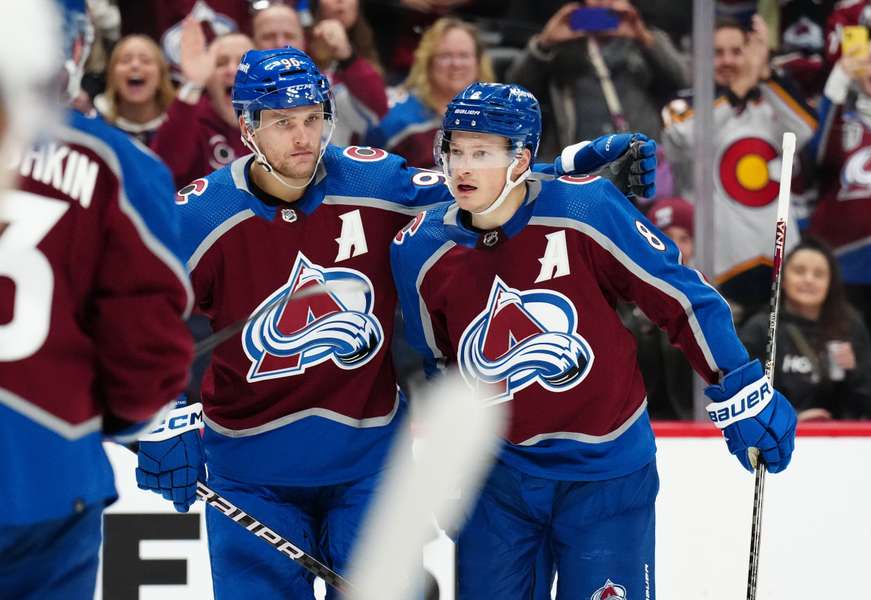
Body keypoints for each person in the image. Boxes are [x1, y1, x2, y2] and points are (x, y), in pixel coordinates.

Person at [133, 47, 655, 598]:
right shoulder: (203, 214)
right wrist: (158, 419)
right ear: (246, 127)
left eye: (312, 118)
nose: (303, 137)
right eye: (283, 123)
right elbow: (130, 315)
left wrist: (578, 162)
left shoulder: (372, 183)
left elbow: (473, 178)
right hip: (251, 474)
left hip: (370, 473)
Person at [390, 82, 797, 599]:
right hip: (499, 479)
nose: (462, 167)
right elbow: (440, 363)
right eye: (455, 149)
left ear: (520, 159)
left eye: (482, 152)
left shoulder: (584, 210)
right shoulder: (420, 249)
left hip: (605, 471)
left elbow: (680, 297)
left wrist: (739, 388)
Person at [0, 0, 194, 598]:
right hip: (49, 477)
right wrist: (119, 421)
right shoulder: (114, 163)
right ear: (74, 48)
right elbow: (148, 349)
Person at [662, 16, 817, 322]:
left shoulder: (774, 100)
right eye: (718, 53)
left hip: (780, 266)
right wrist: (740, 86)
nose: (728, 60)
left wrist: (766, 76)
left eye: (737, 51)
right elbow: (683, 139)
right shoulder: (683, 105)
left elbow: (806, 129)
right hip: (718, 268)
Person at [806, 33, 871, 362]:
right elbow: (818, 157)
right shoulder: (841, 122)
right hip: (843, 266)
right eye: (870, 58)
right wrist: (838, 83)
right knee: (842, 358)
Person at [506, 0, 689, 160]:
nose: (604, 3)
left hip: (637, 163)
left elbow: (686, 82)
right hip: (581, 165)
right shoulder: (562, 47)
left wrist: (645, 39)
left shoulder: (643, 41)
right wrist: (544, 42)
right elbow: (515, 91)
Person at [740, 238, 871, 421]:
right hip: (777, 438)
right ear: (782, 279)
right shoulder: (761, 328)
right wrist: (792, 419)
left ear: (830, 283)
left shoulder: (850, 326)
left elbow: (870, 401)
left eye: (819, 274)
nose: (809, 280)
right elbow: (743, 396)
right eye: (799, 271)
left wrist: (854, 372)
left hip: (839, 439)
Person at [365, 17, 494, 168]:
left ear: (478, 63)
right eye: (446, 56)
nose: (456, 64)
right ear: (427, 62)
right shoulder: (398, 120)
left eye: (464, 55)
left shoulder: (495, 118)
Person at [151, 20, 253, 189]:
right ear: (208, 77)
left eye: (244, 64)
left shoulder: (275, 123)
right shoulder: (192, 122)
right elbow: (161, 171)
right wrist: (192, 84)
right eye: (220, 63)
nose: (232, 70)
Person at [620, 197, 696, 420]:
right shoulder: (620, 297)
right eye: (665, 236)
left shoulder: (708, 300)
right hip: (634, 426)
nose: (674, 245)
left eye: (684, 238)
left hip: (693, 429)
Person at [308, 0, 388, 146]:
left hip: (352, 155)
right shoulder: (300, 45)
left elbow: (380, 108)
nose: (341, 1)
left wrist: (347, 57)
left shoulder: (373, 48)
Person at [93, 34, 176, 145]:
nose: (135, 65)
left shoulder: (180, 125)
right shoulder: (94, 126)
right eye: (125, 60)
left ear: (161, 75)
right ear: (112, 75)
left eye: (145, 61)